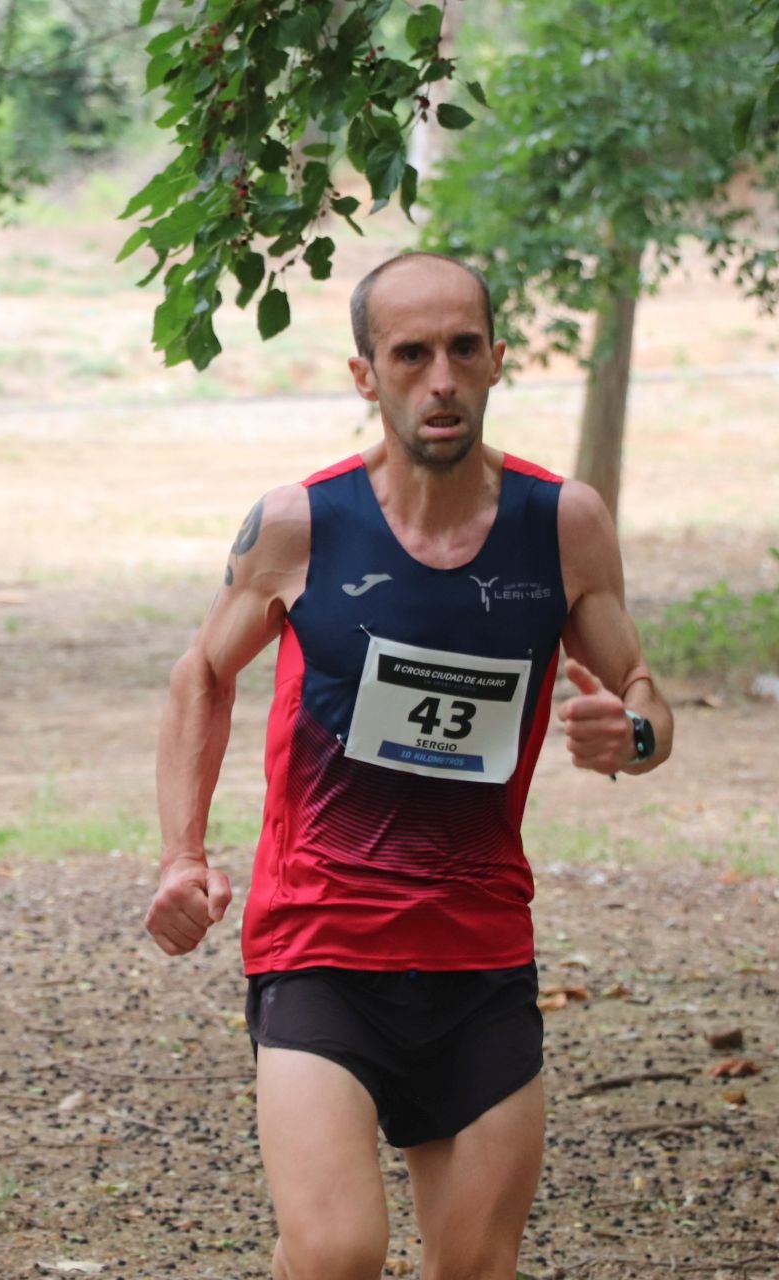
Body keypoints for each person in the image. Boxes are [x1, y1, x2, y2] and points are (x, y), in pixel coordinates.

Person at [145, 252, 673, 1280]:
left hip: (479, 951)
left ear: (496, 361)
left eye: (462, 349)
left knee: (476, 1264)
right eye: (411, 353)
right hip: (321, 941)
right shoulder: (301, 524)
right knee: (338, 1250)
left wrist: (636, 736)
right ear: (365, 375)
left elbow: (646, 690)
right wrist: (180, 854)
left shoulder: (564, 523)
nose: (440, 377)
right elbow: (200, 676)